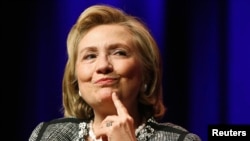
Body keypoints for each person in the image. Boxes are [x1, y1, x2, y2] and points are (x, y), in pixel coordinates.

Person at [29, 4, 202, 141]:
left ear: (146, 75)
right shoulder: (47, 135)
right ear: (76, 80)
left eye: (119, 53)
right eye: (90, 56)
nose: (103, 66)